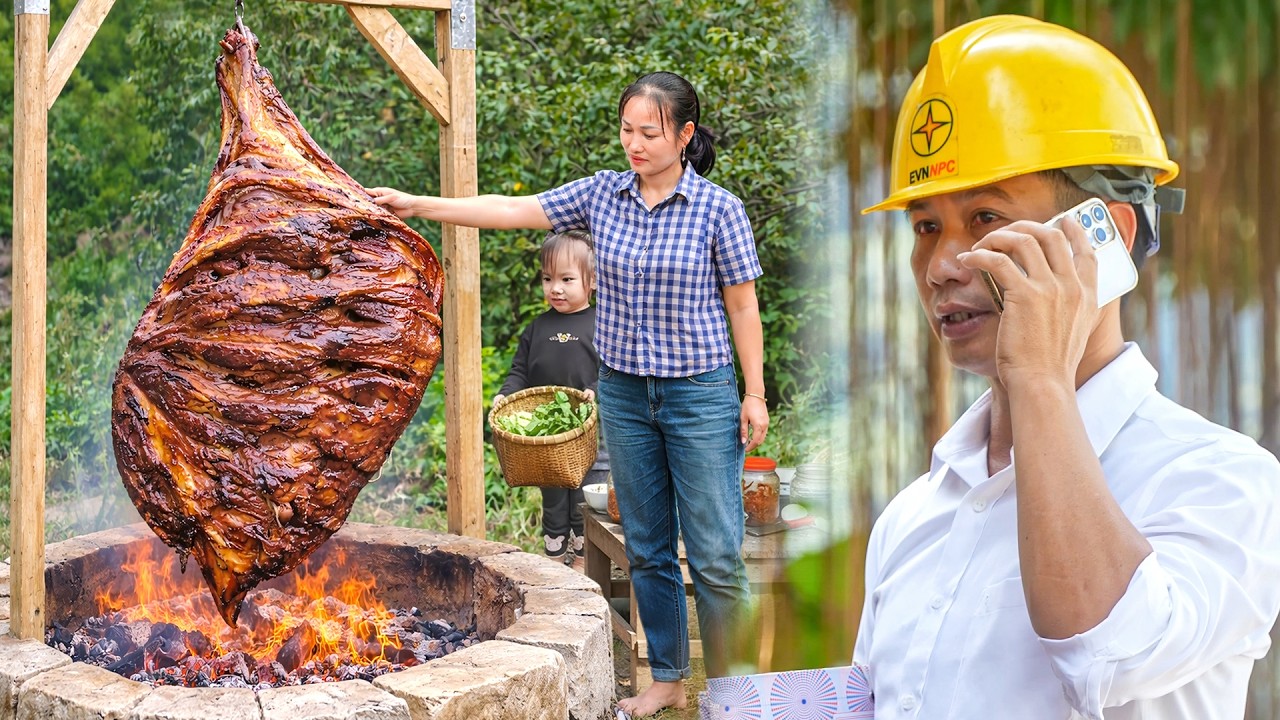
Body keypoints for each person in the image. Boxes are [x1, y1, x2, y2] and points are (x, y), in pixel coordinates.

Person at [855, 15, 1280, 719]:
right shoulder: (911, 518)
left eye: (985, 217)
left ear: (1105, 238)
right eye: (926, 226)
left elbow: (1106, 652)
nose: (940, 267)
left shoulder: (1224, 482)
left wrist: (1040, 379)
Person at [369, 70, 768, 717]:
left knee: (718, 555)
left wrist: (754, 394)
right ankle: (666, 677)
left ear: (684, 134)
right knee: (648, 546)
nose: (633, 144)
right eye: (626, 130)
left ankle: (738, 693)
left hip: (700, 395)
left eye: (649, 132)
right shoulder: (602, 196)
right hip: (627, 398)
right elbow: (507, 209)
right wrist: (420, 204)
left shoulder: (718, 209)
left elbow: (743, 305)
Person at [493, 229, 608, 571]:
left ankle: (585, 569)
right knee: (555, 503)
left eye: (567, 279)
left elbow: (613, 371)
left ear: (593, 281)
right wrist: (505, 393)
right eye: (548, 278)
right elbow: (520, 373)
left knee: (584, 506)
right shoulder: (537, 328)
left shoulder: (602, 324)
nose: (555, 288)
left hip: (591, 440)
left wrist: (595, 390)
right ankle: (555, 562)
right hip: (548, 440)